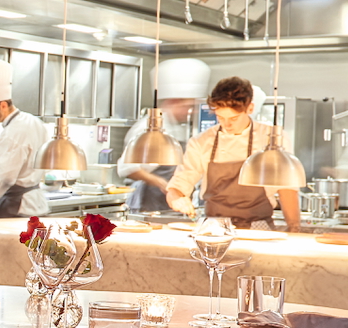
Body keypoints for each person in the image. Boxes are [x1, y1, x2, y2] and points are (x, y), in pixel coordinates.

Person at [165, 76, 303, 231]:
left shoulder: (272, 139)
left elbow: (287, 188)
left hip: (258, 228)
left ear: (250, 108)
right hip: (214, 229)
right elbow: (177, 186)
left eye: (234, 118)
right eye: (220, 117)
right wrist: (177, 199)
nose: (227, 124)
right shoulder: (201, 141)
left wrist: (294, 226)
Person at [119, 58, 209, 214]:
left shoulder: (178, 127)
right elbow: (127, 168)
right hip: (148, 203)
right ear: (173, 101)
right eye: (187, 106)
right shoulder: (147, 129)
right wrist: (161, 183)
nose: (192, 111)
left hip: (169, 204)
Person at [0, 58, 49, 220]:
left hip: (18, 208)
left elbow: (4, 177)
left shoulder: (13, 132)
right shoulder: (34, 121)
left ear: (3, 105)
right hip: (36, 203)